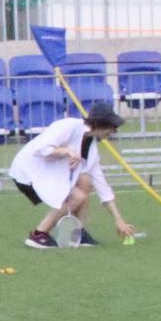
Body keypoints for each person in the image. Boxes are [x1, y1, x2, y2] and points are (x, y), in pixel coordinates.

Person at [12, 100, 139, 249]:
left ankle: (78, 232)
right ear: (102, 124)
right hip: (29, 172)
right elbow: (40, 149)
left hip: (48, 174)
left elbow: (102, 186)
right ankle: (39, 235)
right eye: (113, 127)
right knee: (78, 197)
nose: (114, 132)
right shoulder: (68, 126)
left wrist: (119, 220)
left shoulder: (91, 148)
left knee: (85, 181)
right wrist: (67, 151)